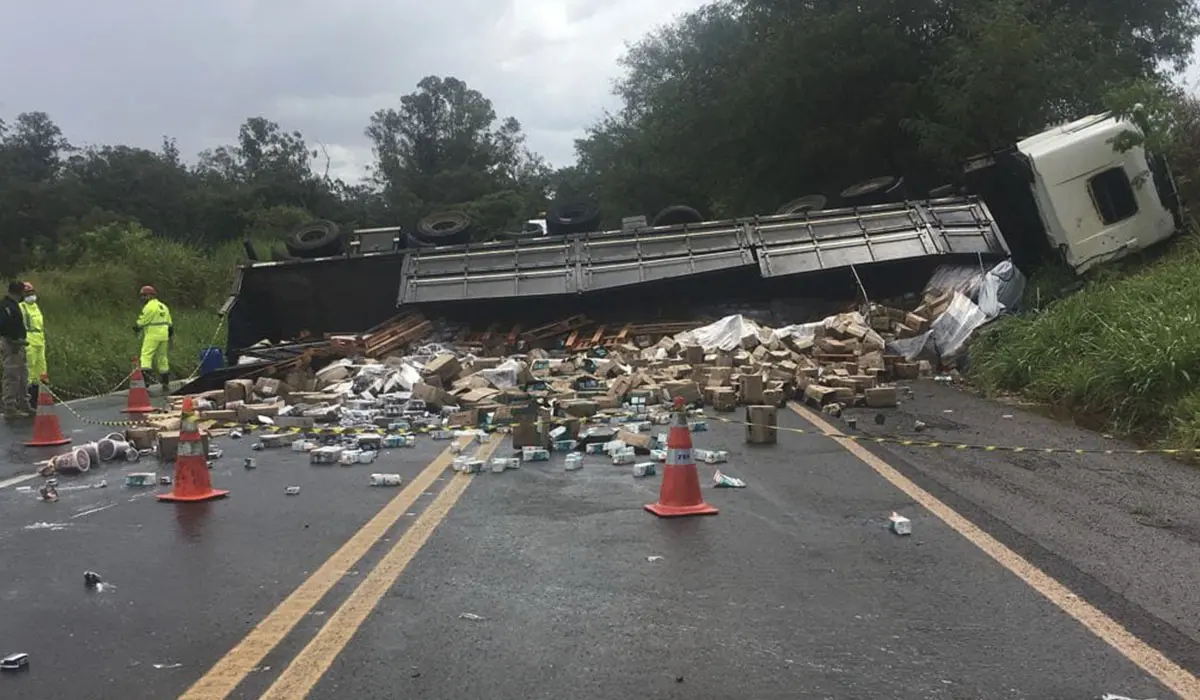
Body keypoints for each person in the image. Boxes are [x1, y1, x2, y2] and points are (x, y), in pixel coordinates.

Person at [133, 285, 173, 395]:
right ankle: (165, 382)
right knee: (162, 358)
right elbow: (170, 324)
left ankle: (147, 381)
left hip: (152, 334)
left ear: (150, 295)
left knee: (146, 355)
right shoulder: (163, 306)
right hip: (164, 335)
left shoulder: (149, 307)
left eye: (144, 295)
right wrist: (170, 337)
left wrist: (136, 326)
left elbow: (142, 321)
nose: (143, 298)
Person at [0, 281, 31, 420]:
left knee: (23, 375)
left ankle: (24, 403)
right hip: (11, 343)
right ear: (19, 292)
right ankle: (10, 407)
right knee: (11, 376)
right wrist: (13, 341)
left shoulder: (14, 305)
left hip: (19, 344)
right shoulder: (6, 306)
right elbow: (5, 326)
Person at [19, 282, 46, 410]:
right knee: (29, 371)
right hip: (29, 340)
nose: (31, 295)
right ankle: (27, 401)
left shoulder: (36, 306)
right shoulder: (21, 307)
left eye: (32, 292)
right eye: (28, 293)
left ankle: (38, 399)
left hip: (40, 340)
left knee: (40, 371)